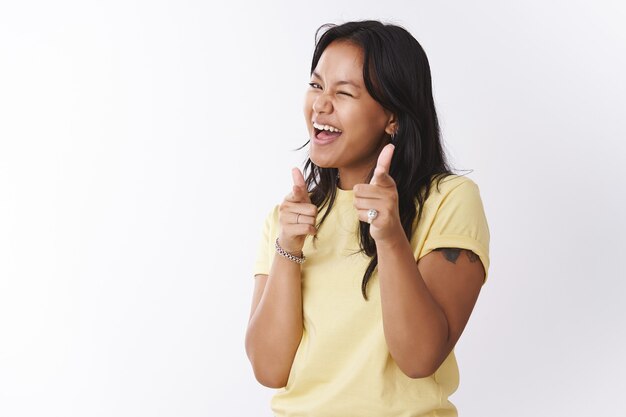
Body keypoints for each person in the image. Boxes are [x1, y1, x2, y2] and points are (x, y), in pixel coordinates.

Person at [245, 20, 490, 417]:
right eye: (316, 85)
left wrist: (391, 238)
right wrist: (287, 249)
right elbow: (270, 369)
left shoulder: (448, 201)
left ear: (392, 117)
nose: (321, 104)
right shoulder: (287, 218)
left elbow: (419, 358)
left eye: (344, 92)